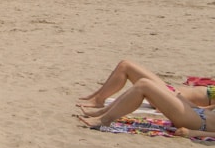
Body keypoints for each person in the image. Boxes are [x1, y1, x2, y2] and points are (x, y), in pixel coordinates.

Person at [76, 69, 214, 134]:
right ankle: (103, 112)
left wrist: (192, 133)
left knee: (144, 86)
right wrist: (192, 105)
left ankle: (105, 120)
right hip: (198, 113)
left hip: (197, 123)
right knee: (143, 82)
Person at [77, 60, 215, 111]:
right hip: (173, 93)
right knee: (124, 65)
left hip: (172, 97)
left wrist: (196, 109)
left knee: (126, 66)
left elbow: (208, 109)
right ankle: (96, 96)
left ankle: (98, 100)